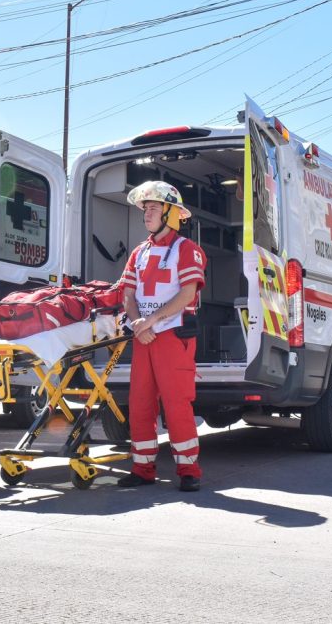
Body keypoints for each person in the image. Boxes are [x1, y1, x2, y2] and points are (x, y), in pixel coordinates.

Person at [117, 180, 207, 492]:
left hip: (172, 337)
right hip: (144, 337)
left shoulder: (188, 250)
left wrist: (152, 319)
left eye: (154, 207)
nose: (147, 213)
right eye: (145, 208)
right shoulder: (139, 253)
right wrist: (136, 324)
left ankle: (188, 470)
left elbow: (188, 293)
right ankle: (142, 468)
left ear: (171, 213)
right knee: (139, 402)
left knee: (176, 402)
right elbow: (127, 293)